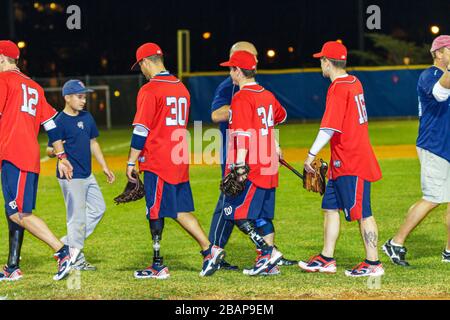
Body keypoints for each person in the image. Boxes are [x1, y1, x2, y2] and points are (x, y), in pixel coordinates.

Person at [126, 42, 225, 279]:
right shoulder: (181, 88)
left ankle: (159, 265)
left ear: (145, 62)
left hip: (158, 159)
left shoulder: (150, 90)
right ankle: (208, 249)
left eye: (140, 66)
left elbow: (141, 130)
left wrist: (131, 162)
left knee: (156, 210)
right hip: (178, 157)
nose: (141, 71)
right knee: (178, 209)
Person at [298, 41, 384, 277]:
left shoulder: (338, 88)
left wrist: (311, 155)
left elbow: (329, 128)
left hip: (352, 161)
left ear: (328, 62)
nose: (320, 64)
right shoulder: (354, 81)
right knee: (330, 208)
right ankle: (327, 258)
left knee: (364, 213)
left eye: (321, 60)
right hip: (341, 161)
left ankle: (373, 263)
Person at [210, 41, 297, 272]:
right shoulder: (265, 93)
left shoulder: (241, 97)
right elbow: (280, 116)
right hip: (268, 162)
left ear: (238, 70)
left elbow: (243, 136)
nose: (230, 72)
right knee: (262, 214)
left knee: (236, 210)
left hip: (252, 162)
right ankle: (269, 263)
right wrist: (273, 141)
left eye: (231, 68)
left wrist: (239, 167)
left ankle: (267, 254)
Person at [0, 40, 79, 281]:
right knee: (14, 210)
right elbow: (52, 124)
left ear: (2, 58)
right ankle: (12, 266)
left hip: (15, 154)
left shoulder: (4, 81)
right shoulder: (33, 86)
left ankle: (63, 252)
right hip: (23, 155)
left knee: (19, 213)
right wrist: (62, 156)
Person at [383, 35, 450, 266]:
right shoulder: (428, 75)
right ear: (438, 53)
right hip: (434, 145)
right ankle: (395, 242)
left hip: (447, 144)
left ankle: (449, 252)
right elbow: (441, 94)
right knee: (433, 198)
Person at [46, 79, 115, 271]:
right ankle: (74, 259)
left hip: (87, 174)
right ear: (67, 98)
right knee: (76, 217)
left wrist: (104, 166)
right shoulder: (58, 121)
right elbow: (49, 150)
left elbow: (93, 143)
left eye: (84, 96)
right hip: (70, 176)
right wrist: (59, 152)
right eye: (79, 96)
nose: (83, 100)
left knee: (98, 208)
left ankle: (67, 243)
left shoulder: (87, 117)